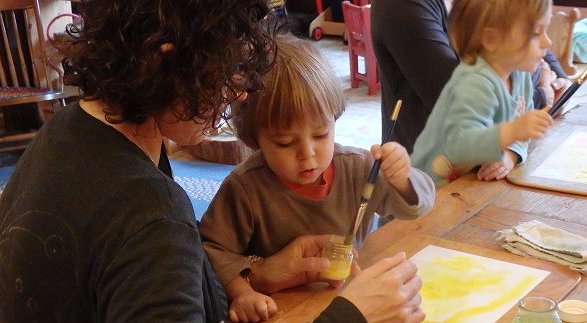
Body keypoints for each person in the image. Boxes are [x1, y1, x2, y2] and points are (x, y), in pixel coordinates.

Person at [0, 1, 426, 322]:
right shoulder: (149, 219)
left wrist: (260, 275)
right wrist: (352, 315)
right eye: (227, 67)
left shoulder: (67, 131)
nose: (240, 92)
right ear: (166, 60)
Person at [199, 34, 435, 322]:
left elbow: (416, 208)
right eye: (285, 142)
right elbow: (210, 251)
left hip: (352, 299)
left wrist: (403, 177)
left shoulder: (358, 168)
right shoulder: (246, 187)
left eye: (321, 134)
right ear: (254, 139)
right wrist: (242, 292)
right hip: (285, 310)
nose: (308, 155)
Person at [371, 0, 570, 153]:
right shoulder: (401, 6)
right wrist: (543, 94)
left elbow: (528, 30)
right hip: (429, 177)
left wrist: (560, 78)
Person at [409, 0, 555, 186]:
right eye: (535, 33)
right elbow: (459, 145)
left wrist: (511, 155)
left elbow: (522, 130)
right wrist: (514, 130)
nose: (547, 42)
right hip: (427, 190)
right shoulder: (474, 83)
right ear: (491, 40)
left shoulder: (519, 74)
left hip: (467, 186)